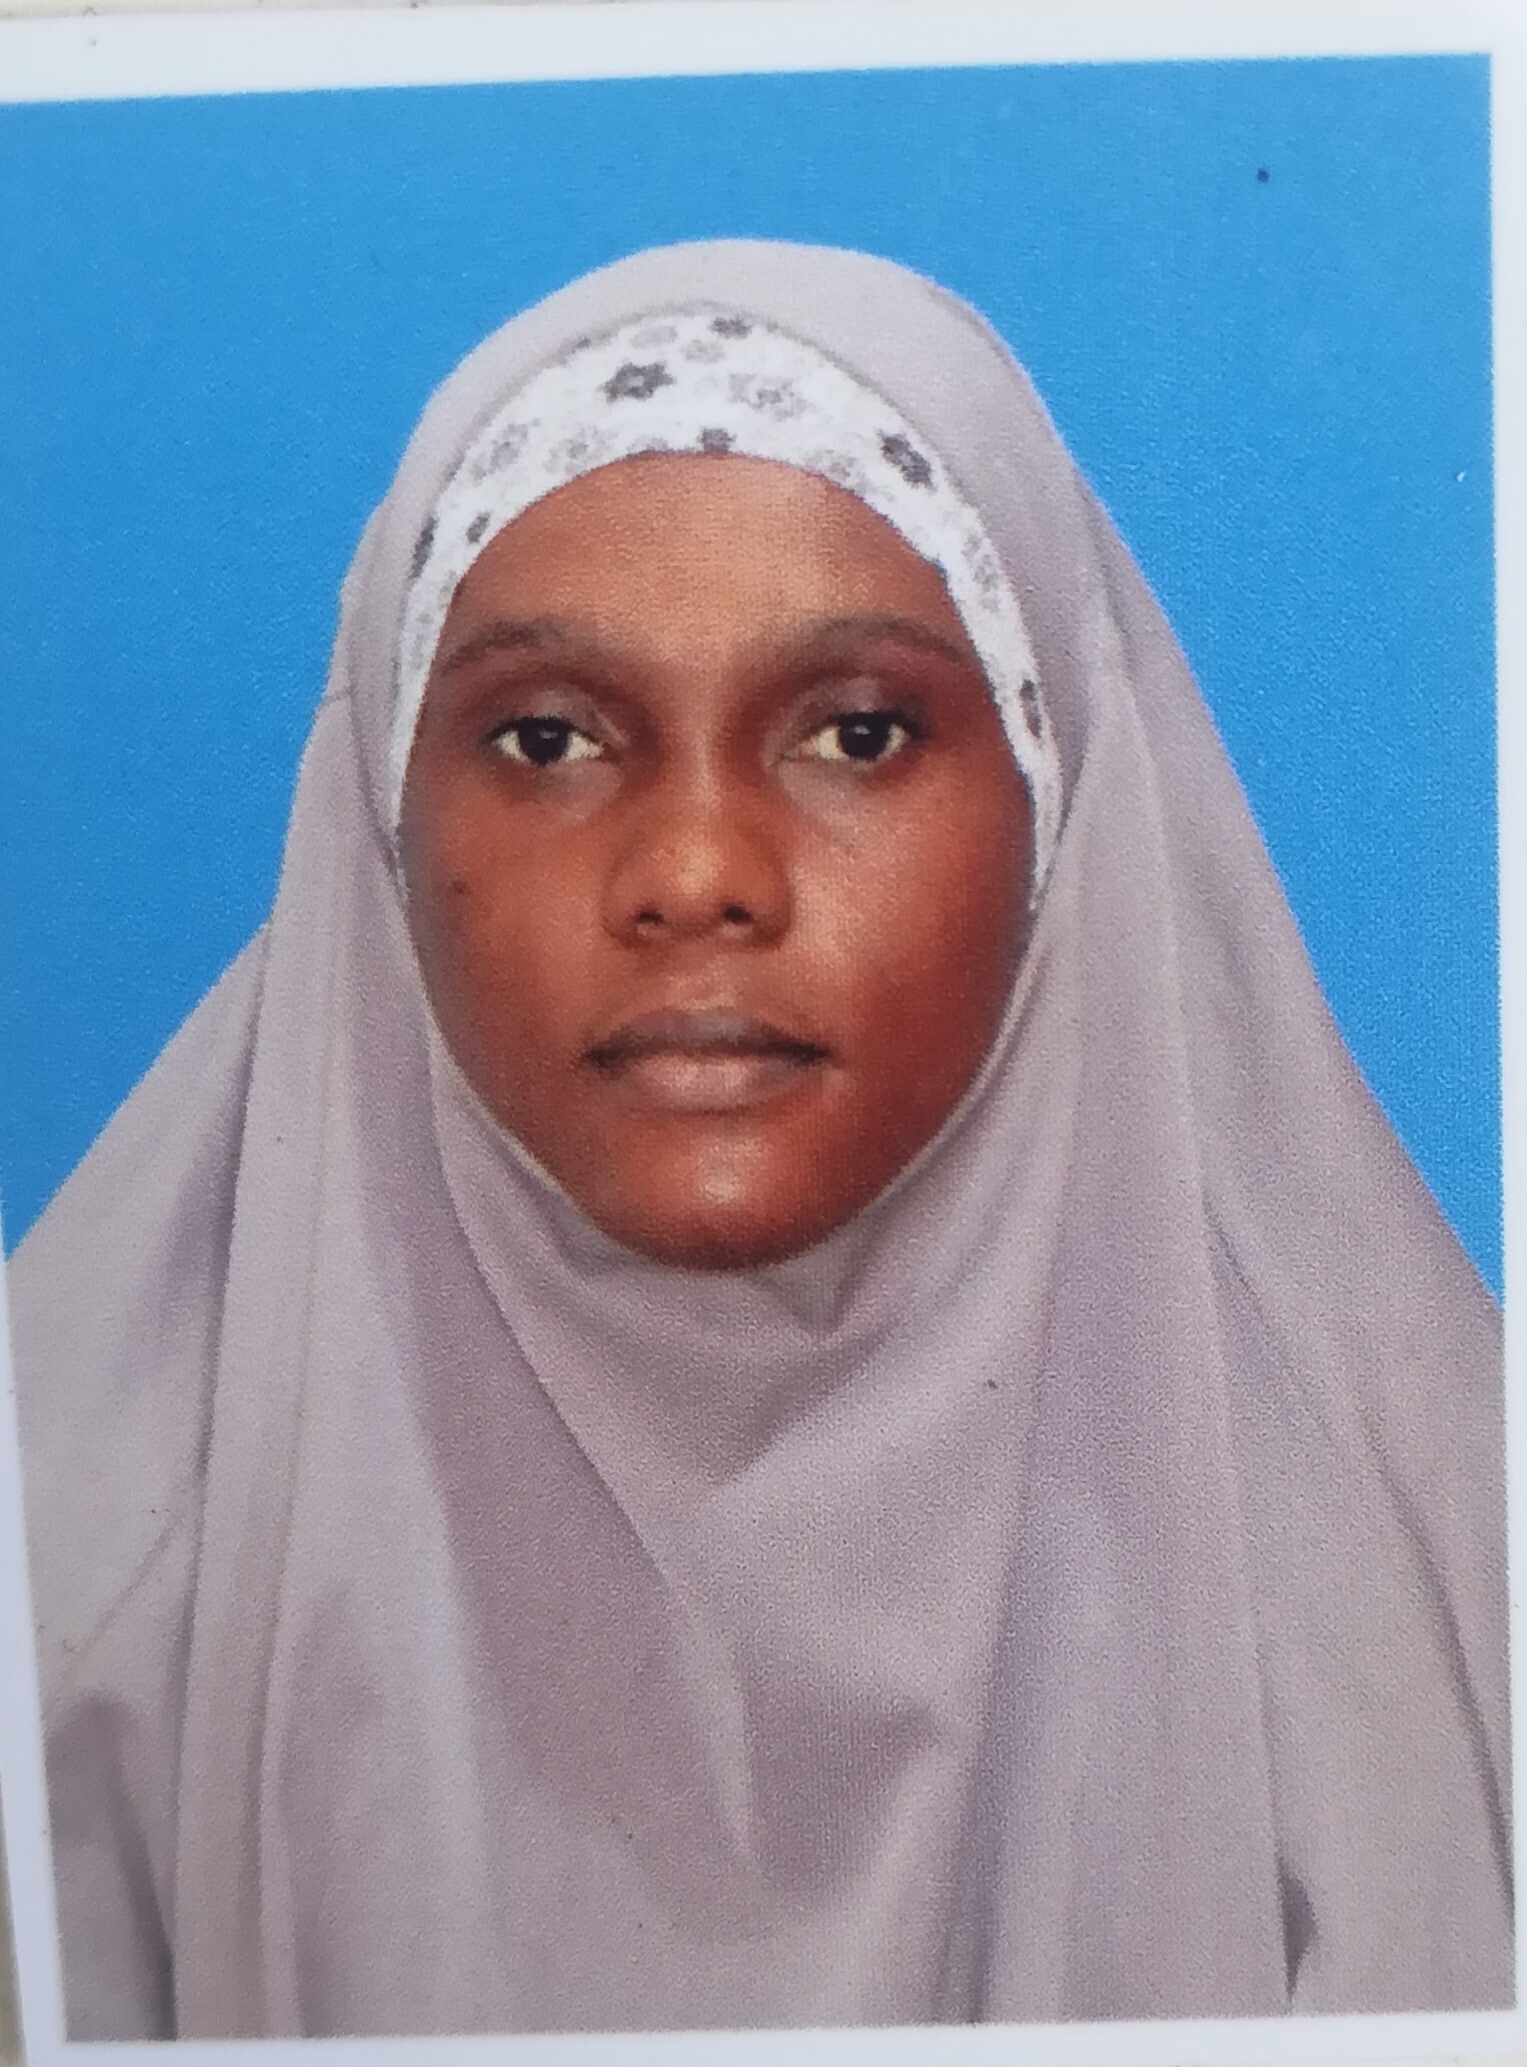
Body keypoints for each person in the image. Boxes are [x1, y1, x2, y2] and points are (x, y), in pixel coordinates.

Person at [5, 240, 1510, 2040]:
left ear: (1061, 811)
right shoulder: (73, 1574)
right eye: (547, 739)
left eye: (858, 734)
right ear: (384, 824)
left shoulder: (1424, 1581)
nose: (697, 874)